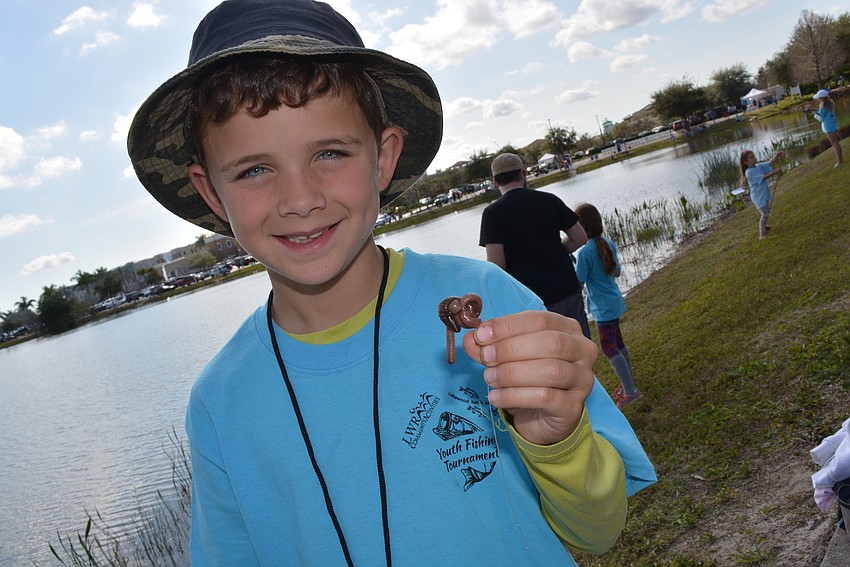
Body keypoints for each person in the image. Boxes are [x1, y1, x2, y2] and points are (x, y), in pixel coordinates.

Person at [127, 1, 655, 564]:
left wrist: (558, 441)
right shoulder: (220, 402)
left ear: (383, 158)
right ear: (212, 193)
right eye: (254, 169)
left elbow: (596, 533)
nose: (300, 199)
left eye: (330, 153)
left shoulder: (492, 302)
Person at [479, 153, 592, 339]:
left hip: (530, 300)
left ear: (495, 181)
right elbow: (580, 237)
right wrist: (556, 250)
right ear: (522, 174)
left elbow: (497, 265)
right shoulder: (549, 199)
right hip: (567, 288)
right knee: (580, 347)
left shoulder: (492, 213)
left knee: (550, 355)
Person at [573, 204, 641, 409]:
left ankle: (631, 391)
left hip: (602, 309)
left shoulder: (584, 253)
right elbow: (617, 271)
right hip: (614, 302)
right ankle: (629, 383)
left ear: (581, 227)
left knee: (609, 348)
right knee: (618, 344)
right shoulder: (608, 243)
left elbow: (579, 280)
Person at [740, 149, 785, 240]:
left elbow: (768, 163)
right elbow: (763, 178)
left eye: (754, 156)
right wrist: (775, 172)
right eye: (751, 158)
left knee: (766, 211)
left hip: (762, 194)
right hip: (758, 197)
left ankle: (764, 226)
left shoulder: (757, 166)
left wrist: (776, 156)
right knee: (765, 213)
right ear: (746, 162)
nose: (754, 158)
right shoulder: (749, 172)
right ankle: (762, 233)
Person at [812, 89, 844, 168]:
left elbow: (821, 118)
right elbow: (824, 114)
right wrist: (817, 112)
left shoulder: (823, 106)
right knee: (836, 143)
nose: (818, 99)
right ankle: (841, 160)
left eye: (819, 98)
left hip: (828, 127)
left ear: (821, 98)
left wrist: (814, 114)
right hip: (833, 125)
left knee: (835, 144)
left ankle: (840, 161)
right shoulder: (830, 103)